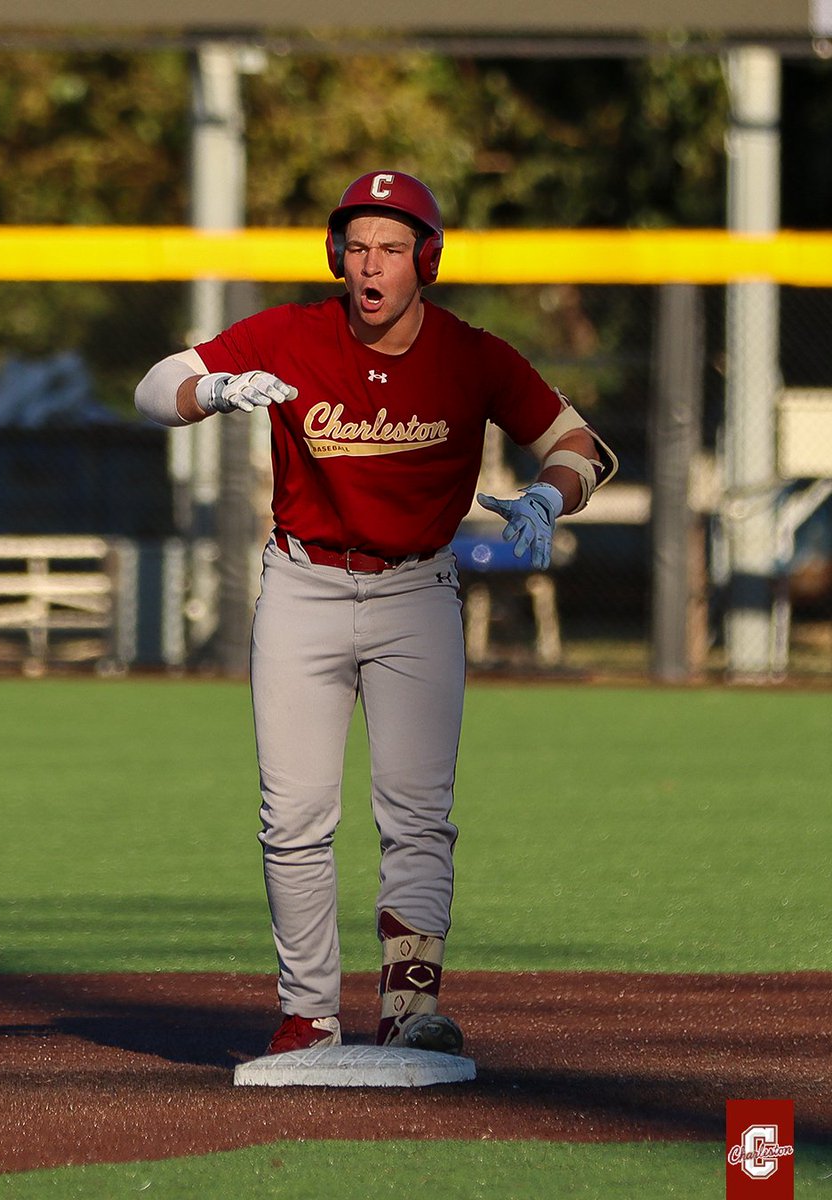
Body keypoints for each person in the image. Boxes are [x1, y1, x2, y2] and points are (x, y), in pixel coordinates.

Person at [135, 170, 617, 1058]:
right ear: (334, 256)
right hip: (303, 588)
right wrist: (215, 389)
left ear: (426, 259)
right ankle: (308, 1012)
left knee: (418, 814)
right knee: (294, 816)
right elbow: (155, 386)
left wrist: (551, 496)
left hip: (416, 593)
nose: (370, 264)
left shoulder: (472, 354)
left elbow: (577, 443)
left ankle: (408, 1007)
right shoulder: (288, 333)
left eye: (391, 247)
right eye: (356, 246)